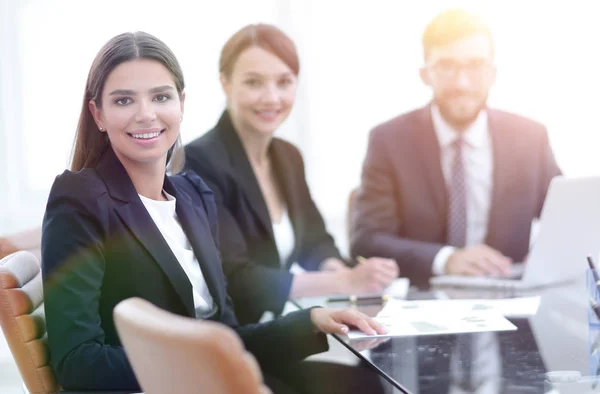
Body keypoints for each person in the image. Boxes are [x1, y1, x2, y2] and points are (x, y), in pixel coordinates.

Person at [41, 31, 385, 393]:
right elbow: (79, 365)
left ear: (181, 104)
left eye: (161, 97)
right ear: (98, 113)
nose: (146, 114)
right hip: (170, 387)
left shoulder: (193, 196)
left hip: (219, 378)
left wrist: (309, 321)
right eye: (124, 100)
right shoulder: (81, 199)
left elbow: (226, 335)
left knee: (365, 383)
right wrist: (201, 362)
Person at [185, 24, 399, 324]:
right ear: (225, 84)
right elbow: (234, 277)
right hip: (231, 340)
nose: (272, 98)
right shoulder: (199, 161)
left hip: (276, 330)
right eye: (254, 82)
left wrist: (348, 274)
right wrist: (344, 282)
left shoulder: (287, 156)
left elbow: (315, 240)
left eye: (284, 82)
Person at [350, 9, 561, 286]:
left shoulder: (530, 138)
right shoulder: (388, 141)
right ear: (425, 74)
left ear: (492, 73)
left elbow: (566, 218)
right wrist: (446, 259)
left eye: (475, 66)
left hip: (512, 296)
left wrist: (545, 258)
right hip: (421, 300)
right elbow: (367, 241)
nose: (462, 83)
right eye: (447, 66)